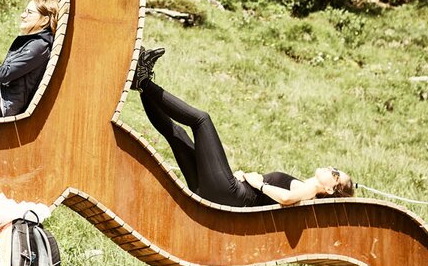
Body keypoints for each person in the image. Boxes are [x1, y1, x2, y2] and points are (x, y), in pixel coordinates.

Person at [131, 47, 354, 207]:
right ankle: (141, 84)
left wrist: (259, 184)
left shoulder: (310, 191)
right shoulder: (304, 189)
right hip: (219, 193)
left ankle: (144, 81)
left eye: (335, 174)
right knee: (176, 135)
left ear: (331, 189)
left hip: (228, 193)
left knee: (202, 121)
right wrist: (248, 180)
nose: (330, 168)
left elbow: (286, 199)